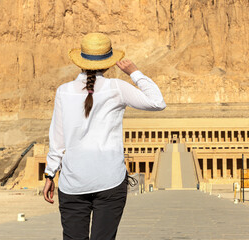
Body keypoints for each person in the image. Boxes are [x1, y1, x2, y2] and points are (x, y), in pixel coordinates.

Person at [42, 32, 166, 240]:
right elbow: (157, 102)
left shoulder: (63, 91)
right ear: (108, 63)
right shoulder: (116, 88)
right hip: (109, 181)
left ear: (80, 61)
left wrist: (49, 174)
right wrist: (134, 72)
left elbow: (58, 139)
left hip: (73, 183)